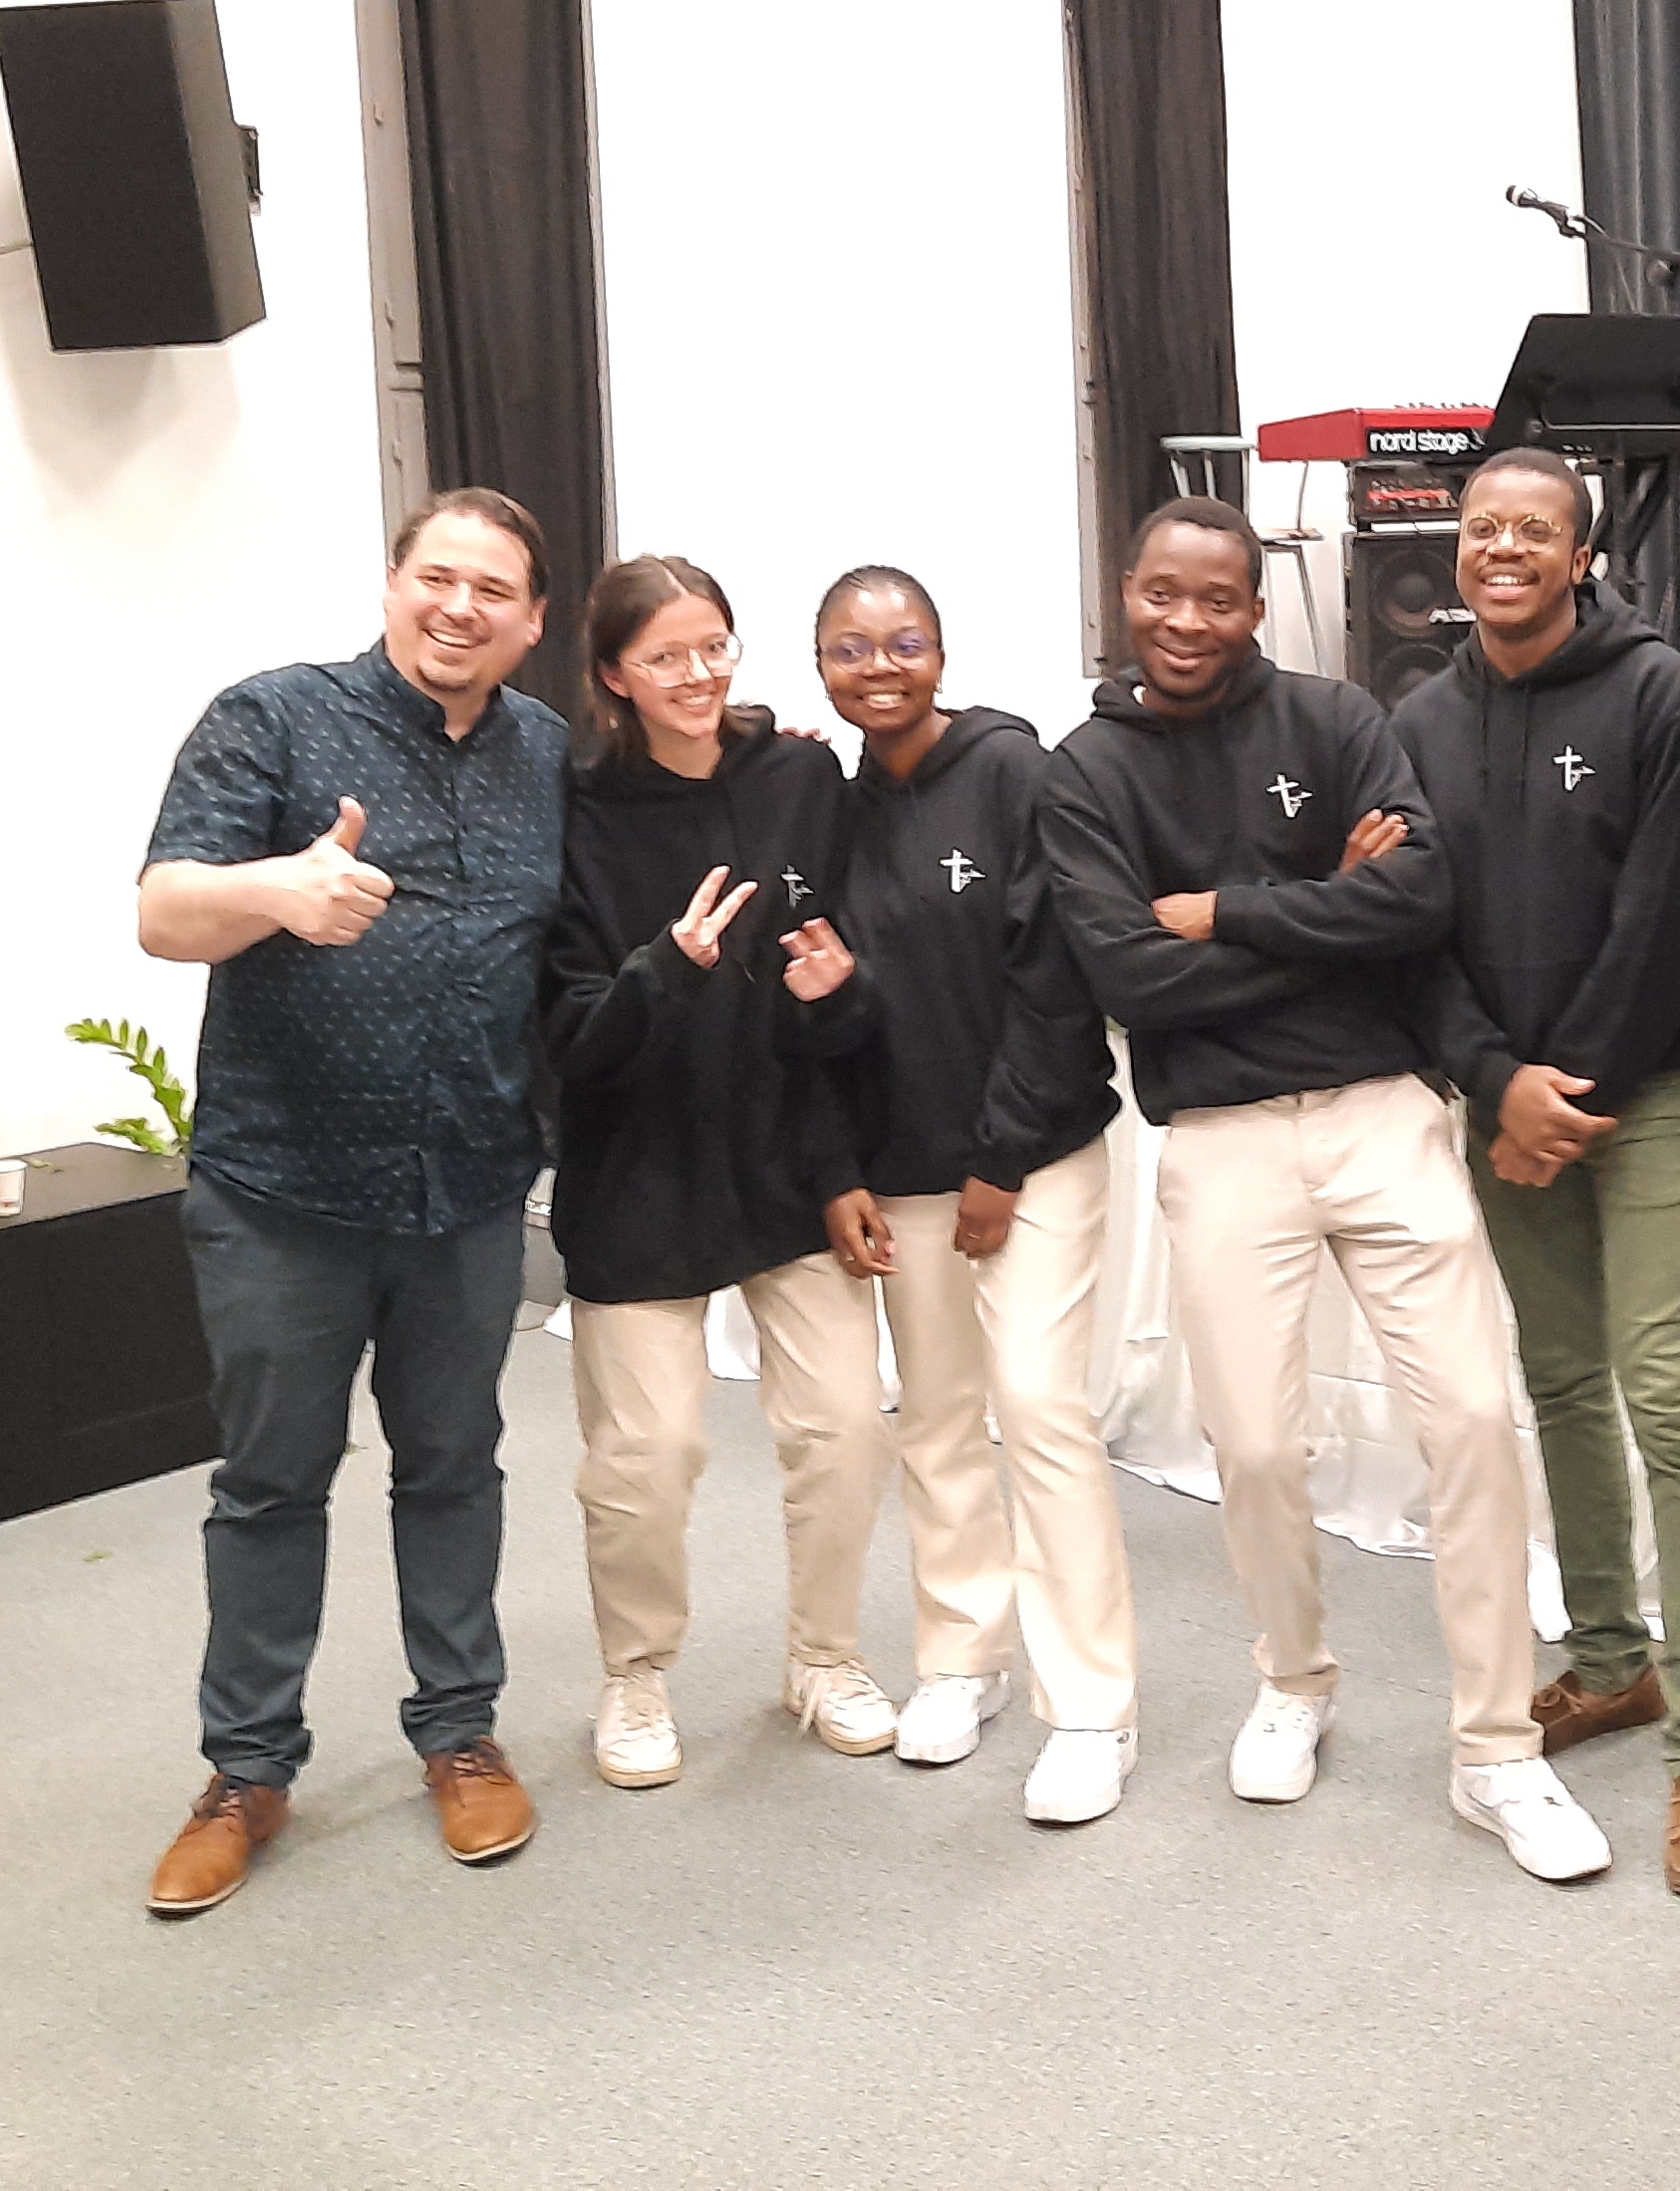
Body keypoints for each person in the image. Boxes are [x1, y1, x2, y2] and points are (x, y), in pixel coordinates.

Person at [1038, 493, 1608, 1881]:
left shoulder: (1339, 718)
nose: (1187, 622)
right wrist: (1324, 923)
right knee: (1251, 1446)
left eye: (1216, 599)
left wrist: (1228, 913)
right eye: (1162, 594)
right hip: (1221, 1133)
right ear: (1127, 594)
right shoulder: (1085, 771)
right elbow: (1129, 977)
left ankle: (1495, 1750)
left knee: (1472, 1420)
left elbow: (1419, 902)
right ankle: (1293, 1683)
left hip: (1381, 1113)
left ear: (1255, 607)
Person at [133, 488, 571, 1916]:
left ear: (532, 622)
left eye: (493, 591)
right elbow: (163, 912)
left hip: (467, 1192)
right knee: (271, 1484)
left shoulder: (546, 752)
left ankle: (460, 1732)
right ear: (393, 583)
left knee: (453, 1467)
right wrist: (280, 890)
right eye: (438, 577)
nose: (460, 608)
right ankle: (246, 1770)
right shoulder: (271, 719)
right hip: (284, 1192)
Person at [1390, 446, 1680, 1891]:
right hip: (1508, 1106)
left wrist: (1561, 1089)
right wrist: (1497, 1083)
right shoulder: (1418, 719)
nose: (1503, 549)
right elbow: (1408, 927)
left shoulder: (1660, 695)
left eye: (1534, 530)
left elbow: (1668, 918)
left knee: (1668, 1395)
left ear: (1582, 556)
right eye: (1483, 527)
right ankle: (1612, 1662)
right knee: (1558, 1383)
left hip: (1654, 1091)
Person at [544, 554, 900, 1791]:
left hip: (787, 1161)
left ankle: (824, 1659)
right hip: (634, 1177)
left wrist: (836, 1009)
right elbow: (569, 1041)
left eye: (714, 648)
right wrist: (665, 968)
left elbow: (836, 980)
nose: (695, 676)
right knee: (645, 1460)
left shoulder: (799, 776)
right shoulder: (573, 809)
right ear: (612, 676)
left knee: (845, 1428)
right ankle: (636, 1676)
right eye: (663, 658)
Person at [812, 565, 1140, 1825]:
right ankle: (962, 1658)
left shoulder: (1013, 772)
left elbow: (1056, 980)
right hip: (901, 1171)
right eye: (849, 649)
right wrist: (842, 1170)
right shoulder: (829, 811)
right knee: (938, 1419)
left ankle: (1092, 1707)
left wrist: (998, 1162)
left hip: (1031, 1158)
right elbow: (822, 1004)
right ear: (822, 667)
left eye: (903, 643)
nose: (878, 668)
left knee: (1042, 1409)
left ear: (941, 655)